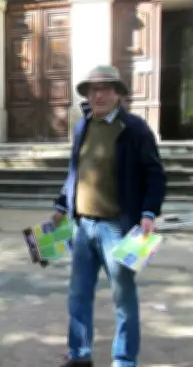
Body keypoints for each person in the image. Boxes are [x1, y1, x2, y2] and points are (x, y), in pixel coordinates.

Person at [54, 65, 166, 367]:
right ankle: (79, 355)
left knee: (123, 298)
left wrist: (148, 212)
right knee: (78, 295)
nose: (98, 95)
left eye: (105, 89)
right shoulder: (83, 125)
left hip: (117, 228)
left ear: (118, 93)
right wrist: (62, 204)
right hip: (82, 226)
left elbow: (155, 175)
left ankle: (124, 359)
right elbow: (75, 170)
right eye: (93, 89)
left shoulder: (134, 128)